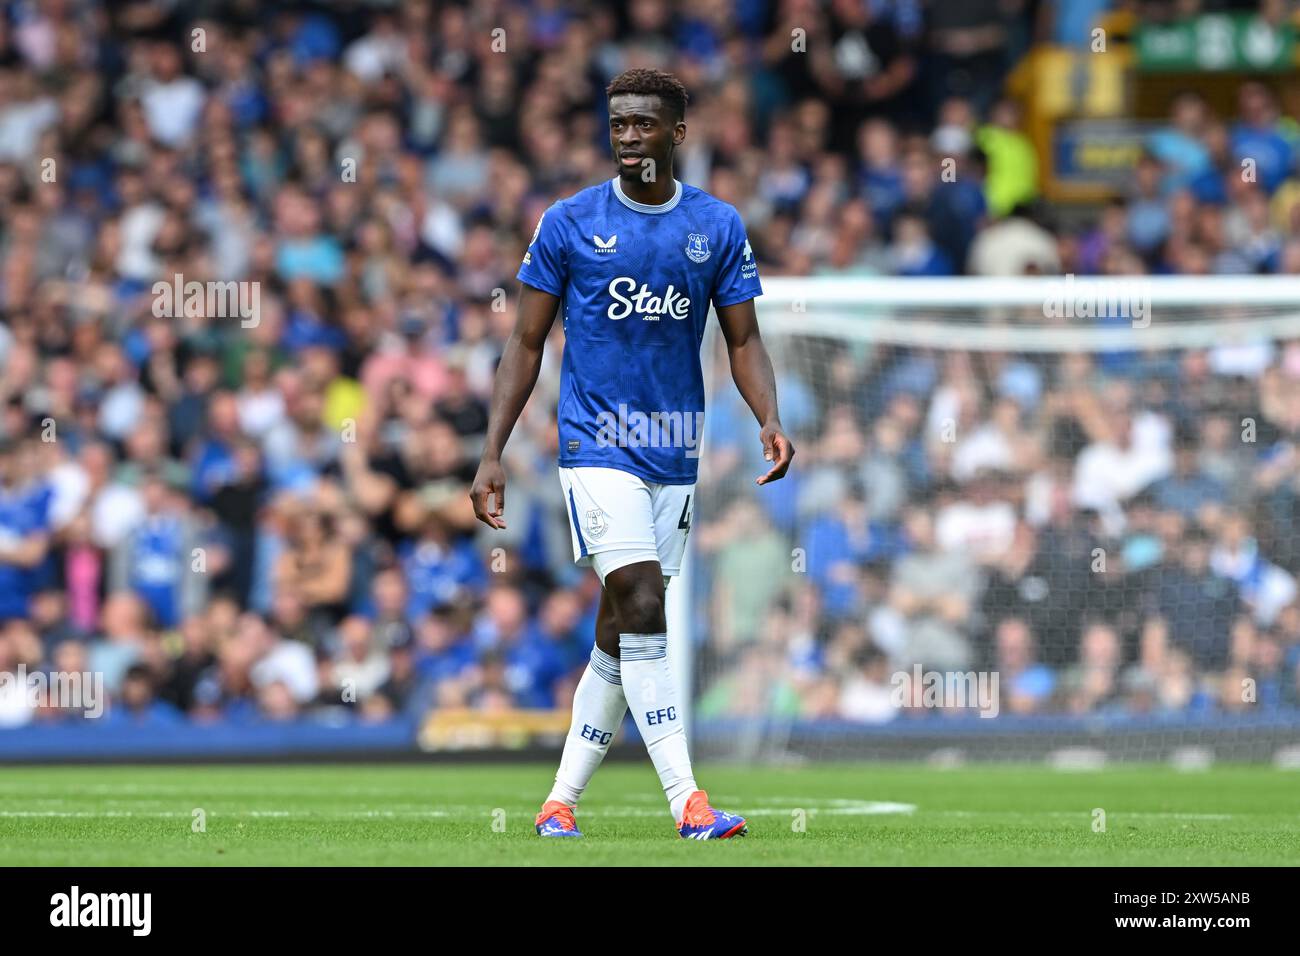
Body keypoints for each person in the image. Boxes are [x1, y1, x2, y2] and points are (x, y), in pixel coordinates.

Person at [470, 69, 794, 840]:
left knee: (621, 631)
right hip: (595, 445)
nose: (627, 138)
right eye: (617, 125)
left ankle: (558, 803)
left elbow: (742, 339)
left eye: (643, 125)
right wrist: (491, 453)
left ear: (677, 133)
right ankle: (689, 802)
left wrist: (769, 418)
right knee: (646, 603)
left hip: (674, 453)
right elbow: (523, 342)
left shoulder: (716, 226)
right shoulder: (569, 222)